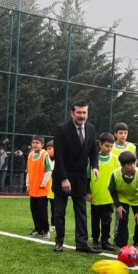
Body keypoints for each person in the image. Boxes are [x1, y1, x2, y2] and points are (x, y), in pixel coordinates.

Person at [51, 100, 99, 254]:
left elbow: (94, 151)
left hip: (80, 178)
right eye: (79, 112)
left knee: (81, 211)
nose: (82, 115)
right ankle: (59, 242)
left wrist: (95, 167)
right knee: (59, 212)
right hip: (62, 175)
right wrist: (64, 179)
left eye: (84, 112)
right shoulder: (62, 129)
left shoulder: (91, 129)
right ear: (72, 114)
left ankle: (82, 243)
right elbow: (58, 157)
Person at [110, 150, 138, 249]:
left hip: (137, 199)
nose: (133, 166)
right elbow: (112, 191)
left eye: (134, 164)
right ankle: (122, 245)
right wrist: (118, 206)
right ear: (122, 166)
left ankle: (137, 243)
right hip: (123, 199)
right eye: (129, 165)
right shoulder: (115, 174)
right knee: (122, 221)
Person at [88, 133, 117, 251]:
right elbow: (87, 177)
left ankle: (105, 241)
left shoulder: (115, 159)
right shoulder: (93, 159)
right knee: (95, 221)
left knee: (107, 221)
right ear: (100, 144)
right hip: (96, 195)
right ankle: (95, 240)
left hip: (109, 197)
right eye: (106, 146)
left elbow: (117, 176)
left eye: (111, 146)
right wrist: (87, 192)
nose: (109, 149)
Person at [26, 135, 52, 236]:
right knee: (34, 210)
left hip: (41, 189)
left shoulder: (45, 155)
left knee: (42, 211)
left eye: (37, 143)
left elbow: (49, 170)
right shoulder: (30, 155)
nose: (34, 145)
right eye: (33, 143)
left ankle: (46, 230)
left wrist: (44, 183)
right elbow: (28, 171)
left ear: (42, 145)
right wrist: (27, 184)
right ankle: (38, 229)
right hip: (33, 188)